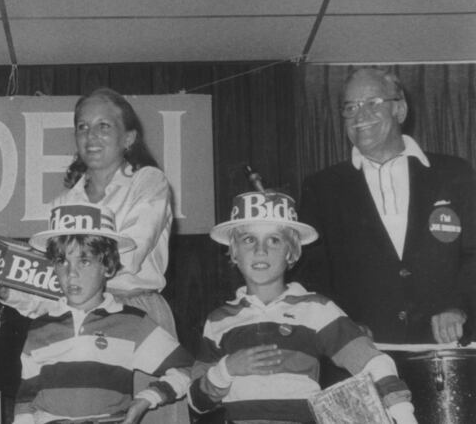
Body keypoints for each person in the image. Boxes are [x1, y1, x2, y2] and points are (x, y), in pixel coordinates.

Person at [0, 88, 188, 423]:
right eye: (82, 127)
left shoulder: (149, 182)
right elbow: (55, 286)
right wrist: (6, 287)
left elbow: (127, 255)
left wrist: (49, 268)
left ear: (128, 137)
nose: (91, 136)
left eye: (104, 126)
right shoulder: (63, 203)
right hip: (77, 318)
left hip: (138, 314)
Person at [189, 190, 417, 424]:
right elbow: (197, 402)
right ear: (234, 251)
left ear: (291, 252)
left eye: (274, 240)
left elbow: (373, 362)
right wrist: (226, 370)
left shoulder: (316, 309)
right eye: (249, 239)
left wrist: (402, 414)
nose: (261, 250)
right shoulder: (218, 320)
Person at [298, 67, 476, 344]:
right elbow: (312, 274)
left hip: (446, 349)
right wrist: (342, 326)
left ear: (400, 109)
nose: (360, 115)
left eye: (372, 103)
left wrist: (459, 307)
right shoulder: (321, 188)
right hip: (361, 357)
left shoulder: (455, 174)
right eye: (350, 107)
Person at [14, 203, 193, 424]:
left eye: (84, 261)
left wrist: (146, 399)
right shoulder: (40, 327)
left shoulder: (132, 323)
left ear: (107, 266)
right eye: (62, 262)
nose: (71, 274)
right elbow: (26, 399)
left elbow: (186, 369)